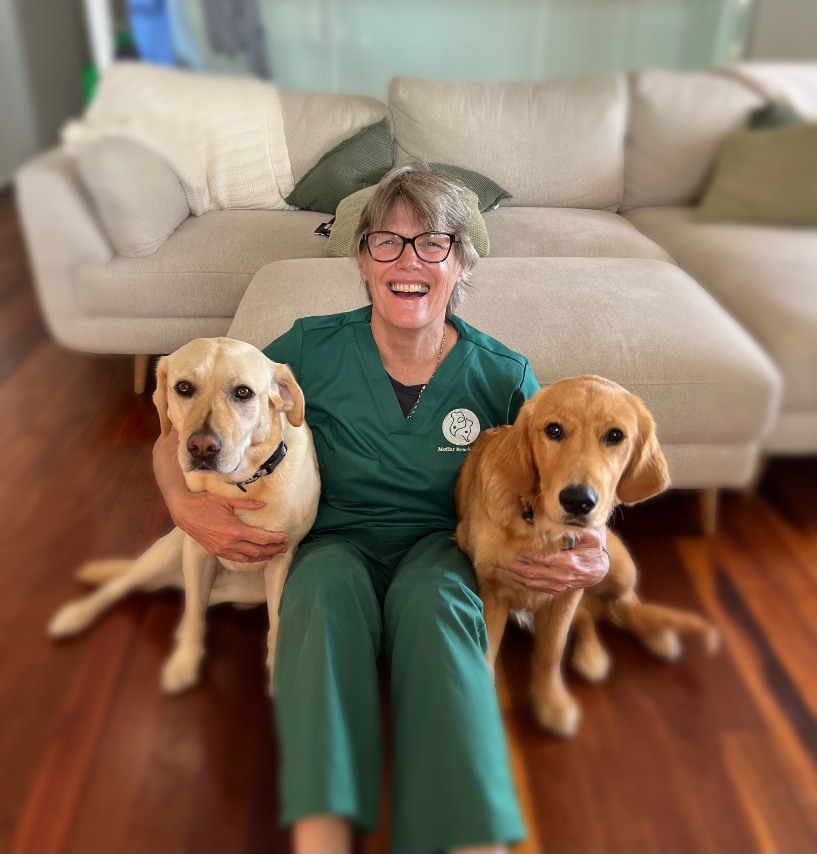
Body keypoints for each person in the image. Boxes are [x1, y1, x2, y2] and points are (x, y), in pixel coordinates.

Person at [153, 162, 609, 854]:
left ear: (460, 265)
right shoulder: (307, 348)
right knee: (319, 596)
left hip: (443, 547)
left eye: (432, 243)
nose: (408, 261)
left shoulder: (502, 374)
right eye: (386, 244)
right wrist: (183, 506)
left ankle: (468, 835)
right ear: (361, 263)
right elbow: (178, 433)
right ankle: (320, 835)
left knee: (441, 608)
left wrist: (587, 548)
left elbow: (569, 477)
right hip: (332, 540)